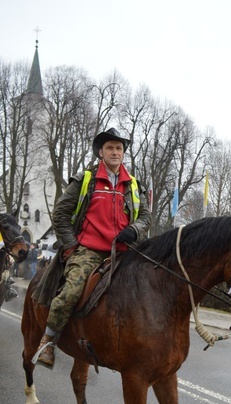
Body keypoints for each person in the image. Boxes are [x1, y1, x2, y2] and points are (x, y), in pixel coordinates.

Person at [34, 127, 152, 368]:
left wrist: (135, 230)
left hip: (125, 252)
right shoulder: (84, 180)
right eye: (110, 147)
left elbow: (146, 218)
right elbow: (60, 214)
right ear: (101, 152)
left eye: (119, 148)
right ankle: (48, 341)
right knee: (71, 291)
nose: (115, 152)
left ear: (123, 153)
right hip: (90, 251)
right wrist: (71, 245)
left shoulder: (133, 185)